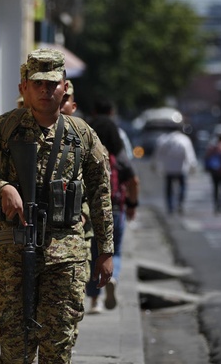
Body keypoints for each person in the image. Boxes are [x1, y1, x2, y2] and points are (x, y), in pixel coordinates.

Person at [0, 49, 114, 363]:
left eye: (52, 84)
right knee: (14, 346)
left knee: (57, 345)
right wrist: (1, 187)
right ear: (24, 88)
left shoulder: (82, 135)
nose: (46, 90)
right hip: (14, 251)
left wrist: (106, 251)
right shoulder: (4, 129)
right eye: (38, 83)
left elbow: (101, 194)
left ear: (64, 86)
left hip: (66, 252)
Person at [85, 98, 139, 314]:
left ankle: (95, 301)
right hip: (116, 209)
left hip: (90, 209)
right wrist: (132, 204)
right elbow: (134, 181)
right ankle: (113, 278)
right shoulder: (118, 158)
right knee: (113, 251)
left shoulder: (87, 147)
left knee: (93, 254)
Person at [152, 125, 197, 215]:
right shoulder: (184, 140)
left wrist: (155, 165)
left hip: (169, 169)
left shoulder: (164, 140)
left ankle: (170, 206)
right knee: (182, 187)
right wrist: (193, 166)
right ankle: (180, 203)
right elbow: (190, 155)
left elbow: (157, 155)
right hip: (181, 169)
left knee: (169, 188)